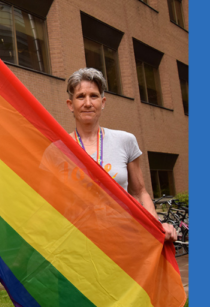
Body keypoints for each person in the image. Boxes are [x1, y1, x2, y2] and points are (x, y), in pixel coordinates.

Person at [65, 68, 177, 242]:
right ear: (70, 105)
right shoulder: (57, 148)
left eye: (93, 96)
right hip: (78, 244)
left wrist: (157, 225)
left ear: (103, 102)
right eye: (80, 96)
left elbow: (139, 192)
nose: (87, 103)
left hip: (123, 241)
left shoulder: (125, 140)